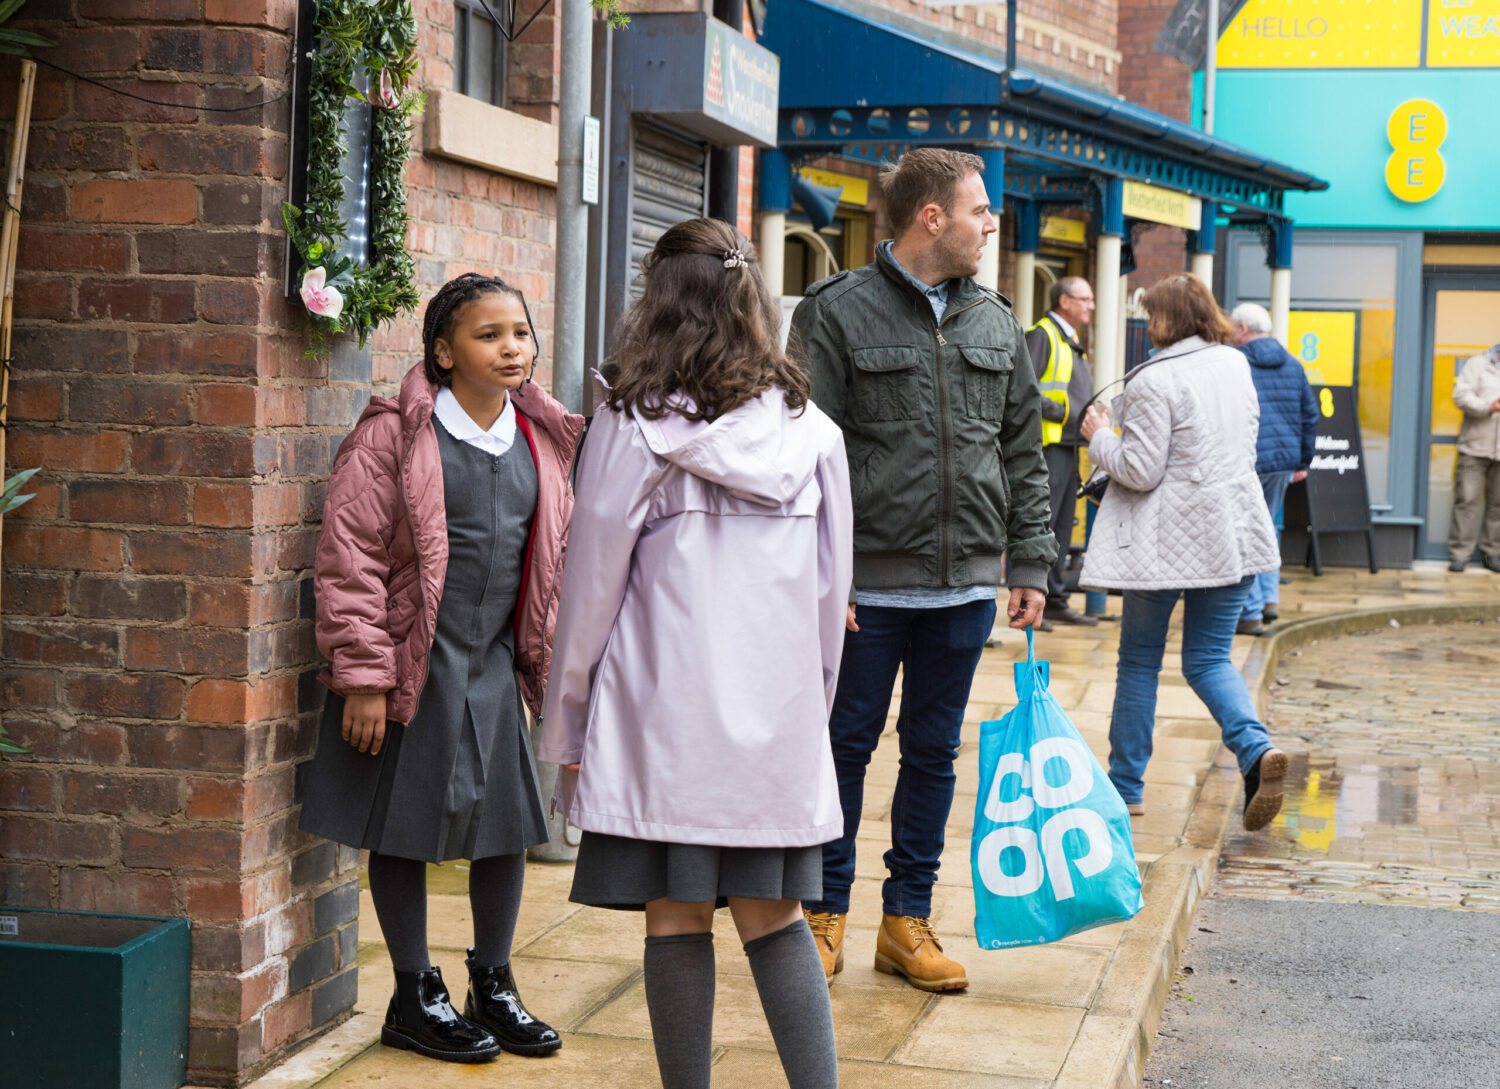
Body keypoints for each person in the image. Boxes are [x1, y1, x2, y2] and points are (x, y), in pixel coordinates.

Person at [539, 218, 852, 1089]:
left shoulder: (631, 426)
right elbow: (832, 604)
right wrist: (804, 722)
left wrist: (567, 726)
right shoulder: (813, 432)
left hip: (660, 719)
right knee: (775, 914)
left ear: (658, 301)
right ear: (755, 303)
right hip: (775, 722)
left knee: (675, 915)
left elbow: (589, 590)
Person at [789, 147, 1055, 993]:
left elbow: (1024, 450)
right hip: (865, 587)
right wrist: (821, 578)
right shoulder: (835, 312)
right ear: (931, 217)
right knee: (844, 746)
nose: (991, 226)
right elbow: (800, 454)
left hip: (968, 584)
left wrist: (1034, 560)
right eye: (980, 211)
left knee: (935, 752)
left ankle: (906, 920)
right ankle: (823, 911)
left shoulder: (998, 321)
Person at [300, 273, 582, 1063]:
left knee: (505, 826)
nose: (511, 348)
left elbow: (556, 564)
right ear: (442, 351)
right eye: (489, 335)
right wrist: (363, 676)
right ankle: (414, 991)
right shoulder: (396, 433)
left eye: (520, 333)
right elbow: (347, 554)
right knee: (403, 821)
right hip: (410, 660)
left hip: (492, 659)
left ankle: (492, 982)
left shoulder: (544, 438)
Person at [1079, 274, 1289, 832]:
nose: (1147, 326)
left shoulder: (1155, 379)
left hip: (1165, 544)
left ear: (1166, 319)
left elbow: (1140, 471)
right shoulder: (1233, 363)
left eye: (1150, 316)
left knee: (1140, 661)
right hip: (1234, 533)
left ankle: (1126, 787)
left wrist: (1100, 435)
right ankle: (1256, 749)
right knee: (1209, 659)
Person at [1230, 302, 1319, 633]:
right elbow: (1310, 415)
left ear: (1242, 329)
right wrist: (1302, 461)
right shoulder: (1293, 364)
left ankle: (1250, 612)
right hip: (1282, 462)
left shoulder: (1236, 362)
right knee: (1266, 528)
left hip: (1248, 461)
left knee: (1245, 532)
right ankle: (1269, 600)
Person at [1026, 276, 1099, 627]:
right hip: (1047, 447)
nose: (1091, 306)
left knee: (1061, 528)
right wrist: (1070, 413)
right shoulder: (1043, 335)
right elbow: (1023, 389)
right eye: (1085, 299)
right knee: (1046, 523)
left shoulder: (1069, 338)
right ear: (1065, 301)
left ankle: (1054, 599)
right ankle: (1036, 598)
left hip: (1068, 447)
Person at [1447, 344, 1500, 572]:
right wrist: (1488, 406)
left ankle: (1492, 554)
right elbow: (1460, 396)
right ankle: (1459, 555)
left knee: (1498, 506)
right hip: (1474, 447)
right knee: (1466, 501)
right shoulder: (1477, 364)